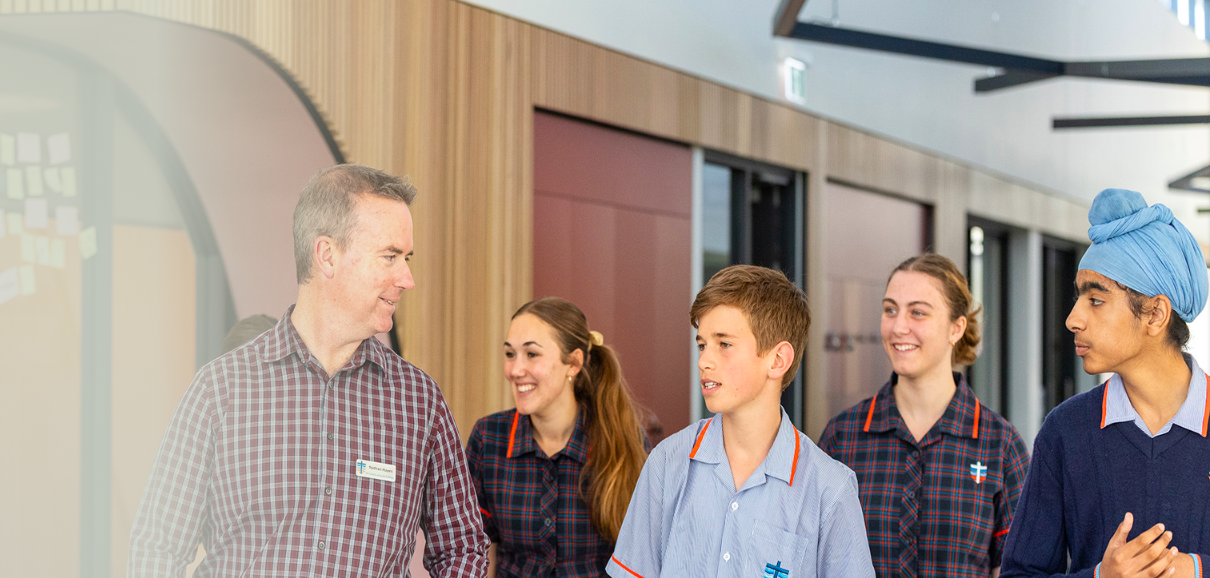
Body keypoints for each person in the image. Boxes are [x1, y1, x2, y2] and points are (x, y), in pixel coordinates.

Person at [127, 164, 489, 577]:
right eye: (389, 256)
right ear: (327, 255)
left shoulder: (420, 402)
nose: (406, 278)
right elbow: (157, 548)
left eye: (405, 258)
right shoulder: (220, 389)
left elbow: (462, 549)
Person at [607, 265, 874, 578]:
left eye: (724, 344)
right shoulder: (666, 464)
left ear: (777, 360)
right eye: (702, 344)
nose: (704, 360)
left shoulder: (829, 489)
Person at [1001, 188, 1210, 578]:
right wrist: (1099, 577)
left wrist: (1195, 569)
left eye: (1096, 300)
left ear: (1155, 314)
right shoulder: (1065, 431)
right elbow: (1018, 573)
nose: (1073, 319)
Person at [818, 253, 1029, 578]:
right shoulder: (842, 437)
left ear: (956, 328)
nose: (899, 326)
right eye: (890, 310)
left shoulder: (1000, 445)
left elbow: (1017, 569)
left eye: (918, 312)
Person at [466, 297, 649, 578]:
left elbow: (644, 556)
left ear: (573, 363)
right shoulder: (488, 438)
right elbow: (477, 547)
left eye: (532, 354)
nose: (515, 370)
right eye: (510, 354)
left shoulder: (624, 441)